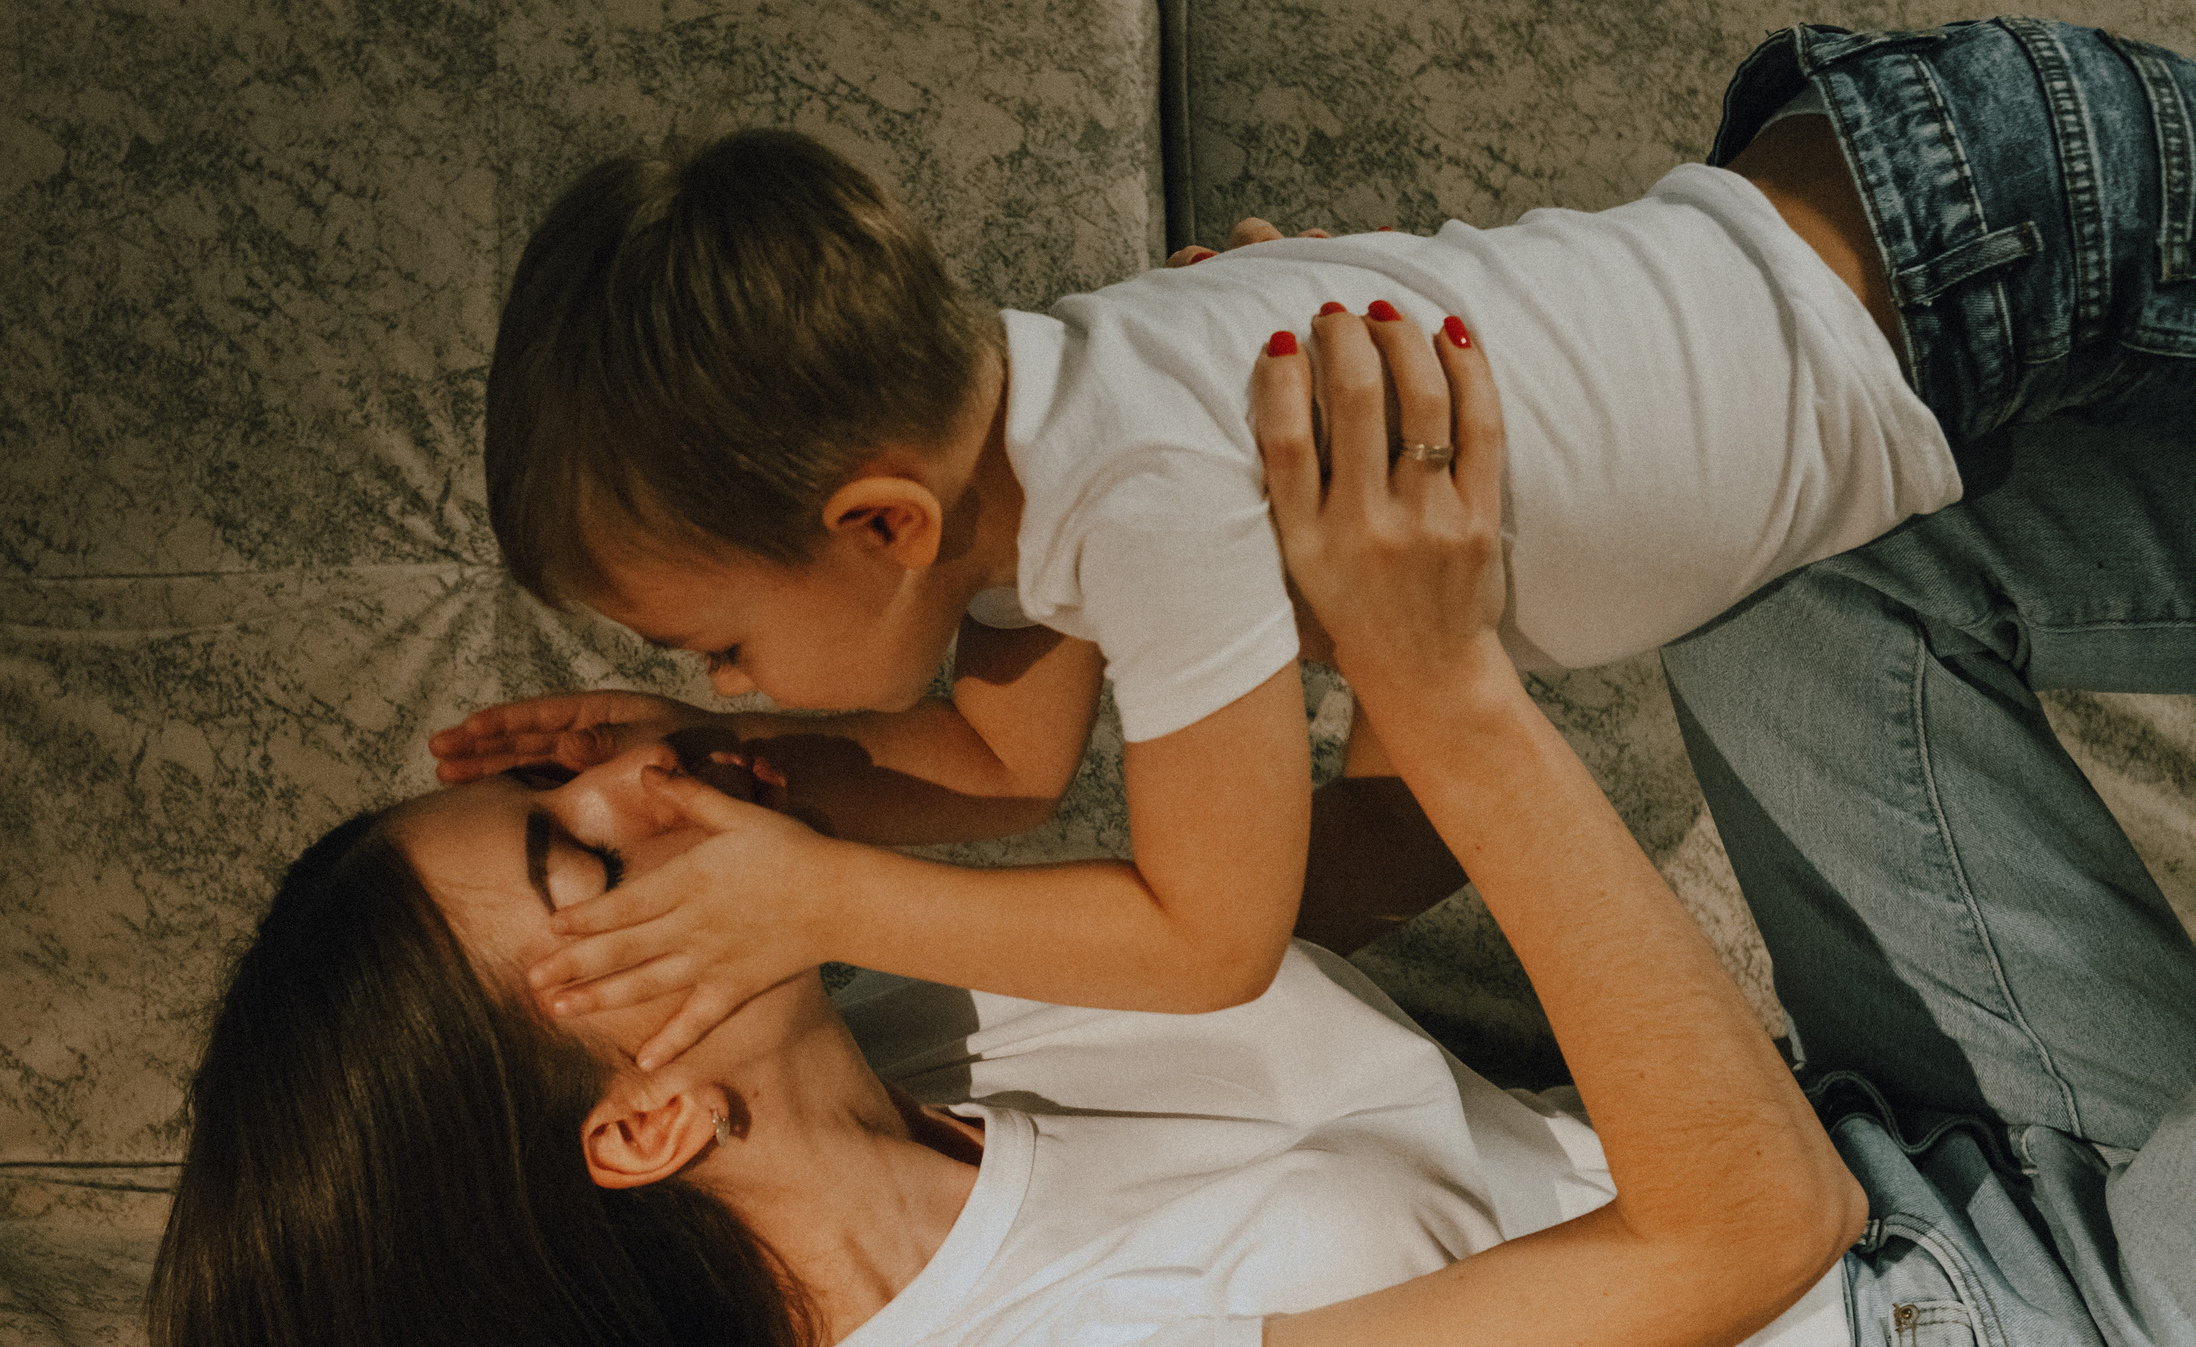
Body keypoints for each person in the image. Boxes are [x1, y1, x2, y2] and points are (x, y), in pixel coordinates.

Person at [148, 275, 2196, 1347]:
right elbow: (1751, 1223)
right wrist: (1443, 672)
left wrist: (1287, 488)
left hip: (1946, 1143)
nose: (630, 787)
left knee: (1821, 555)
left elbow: (1362, 861)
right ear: (645, 1113)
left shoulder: (908, 1019)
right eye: (582, 865)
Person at [429, 17, 2196, 1076]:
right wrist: (732, 777)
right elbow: (995, 770)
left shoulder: (1143, 491)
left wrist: (811, 897)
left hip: (1997, 237)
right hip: (1917, 223)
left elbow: (1218, 938)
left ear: (879, 521)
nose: (726, 684)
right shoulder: (1039, 476)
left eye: (717, 651)